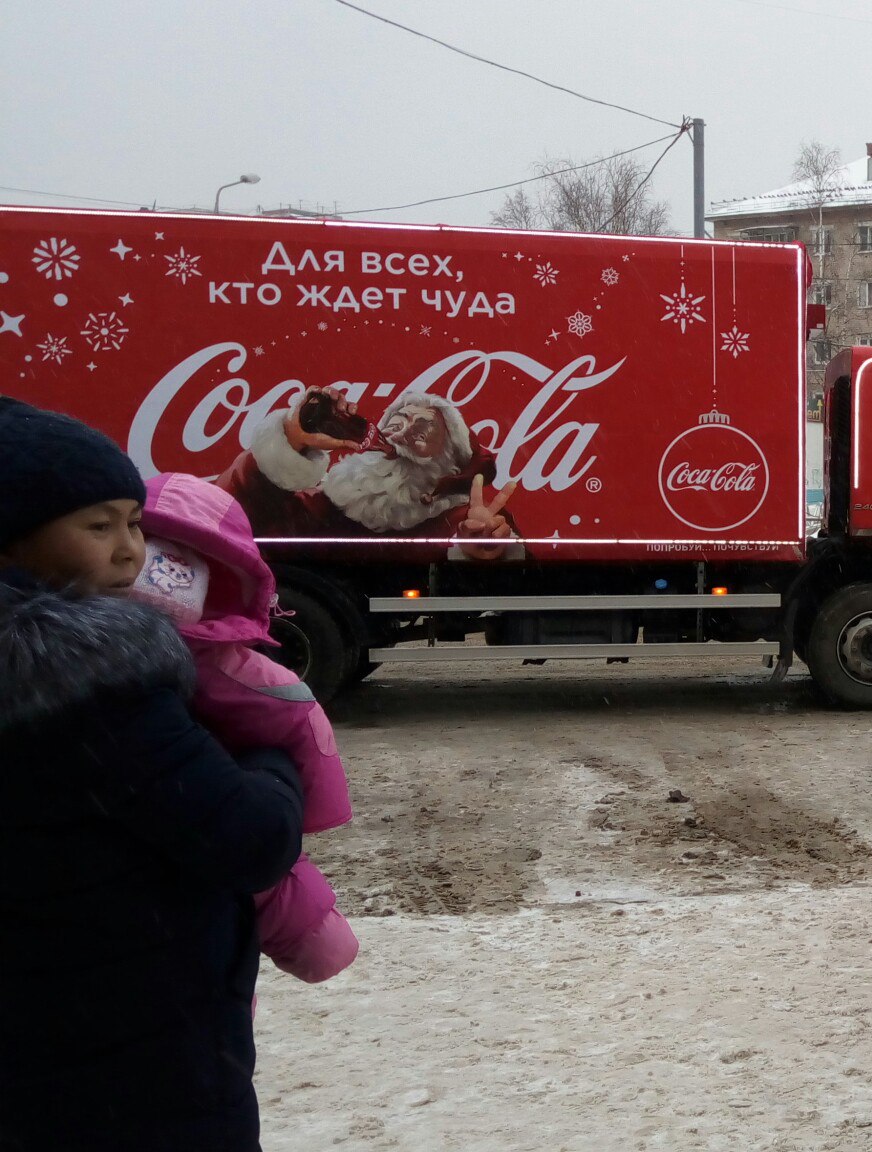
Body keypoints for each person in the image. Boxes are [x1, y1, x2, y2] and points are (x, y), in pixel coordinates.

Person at [0, 398, 305, 1151]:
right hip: (126, 1058)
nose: (131, 552)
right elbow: (249, 837)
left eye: (135, 523)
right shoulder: (85, 684)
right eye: (98, 526)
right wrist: (269, 759)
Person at [130, 472, 360, 983]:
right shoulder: (234, 681)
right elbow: (303, 723)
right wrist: (305, 803)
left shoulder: (50, 672)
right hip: (185, 991)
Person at [219, 387, 519, 558]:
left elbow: (504, 564)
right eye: (399, 418)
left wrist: (484, 545)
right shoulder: (330, 504)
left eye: (423, 427)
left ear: (450, 465)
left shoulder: (461, 518)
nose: (401, 431)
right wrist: (293, 439)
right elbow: (225, 517)